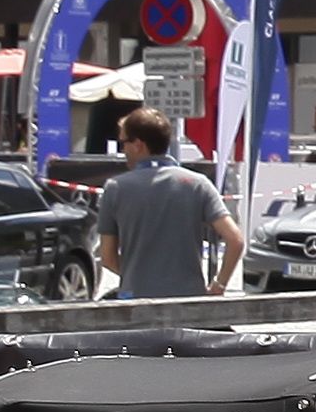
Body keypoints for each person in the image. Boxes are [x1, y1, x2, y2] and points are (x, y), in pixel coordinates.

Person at [92, 111, 235, 301]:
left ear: (138, 145)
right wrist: (220, 284)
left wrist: (136, 276)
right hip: (188, 299)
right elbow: (235, 240)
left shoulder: (116, 188)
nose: (123, 149)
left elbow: (107, 257)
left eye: (123, 142)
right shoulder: (197, 184)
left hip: (136, 298)